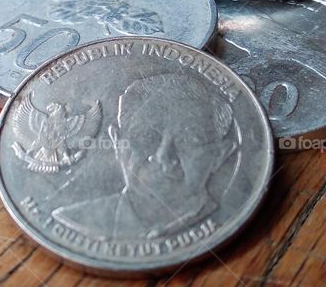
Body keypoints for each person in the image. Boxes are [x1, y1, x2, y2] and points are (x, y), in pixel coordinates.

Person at [52, 73, 238, 240]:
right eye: (147, 136)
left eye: (187, 140)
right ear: (117, 142)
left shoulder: (232, 219)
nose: (163, 156)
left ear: (219, 155)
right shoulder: (75, 220)